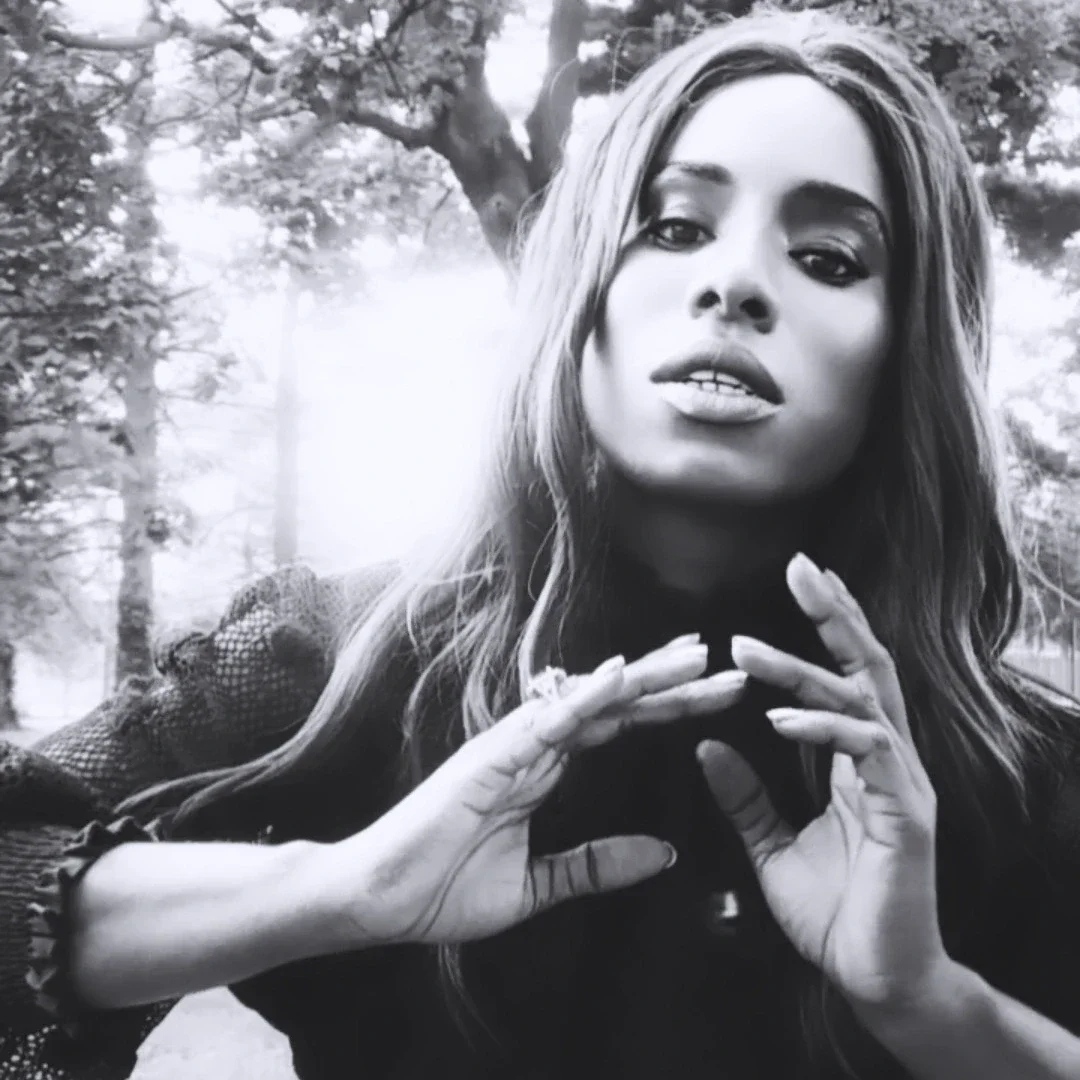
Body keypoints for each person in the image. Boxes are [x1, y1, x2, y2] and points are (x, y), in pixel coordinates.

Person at [2, 7, 1079, 1079]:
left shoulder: (1021, 769)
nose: (737, 282)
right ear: (582, 286)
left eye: (829, 258)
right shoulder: (330, 656)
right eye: (675, 228)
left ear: (910, 349)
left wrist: (931, 1002)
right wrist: (345, 888)